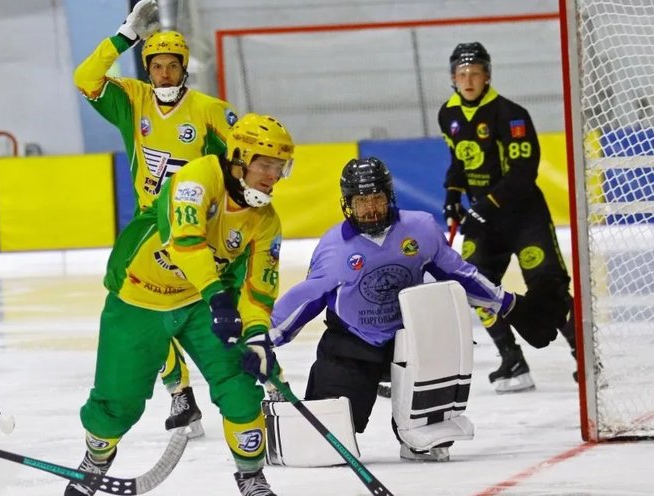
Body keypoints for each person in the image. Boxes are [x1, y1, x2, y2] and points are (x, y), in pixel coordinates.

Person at [269, 157, 563, 461]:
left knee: (439, 333)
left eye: (377, 198)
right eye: (361, 201)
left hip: (410, 341)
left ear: (389, 196)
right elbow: (307, 299)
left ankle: (419, 434)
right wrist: (263, 338)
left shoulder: (419, 228)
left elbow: (458, 275)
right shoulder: (334, 247)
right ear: (348, 204)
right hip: (353, 343)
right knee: (325, 443)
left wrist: (509, 305)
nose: (370, 208)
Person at [65, 113, 292, 496]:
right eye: (265, 165)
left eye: (279, 168)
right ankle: (96, 459)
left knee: (239, 384)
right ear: (239, 157)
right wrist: (219, 298)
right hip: (138, 299)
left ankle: (251, 476)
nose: (273, 177)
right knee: (117, 403)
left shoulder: (265, 220)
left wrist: (256, 335)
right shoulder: (196, 179)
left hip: (199, 303)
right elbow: (186, 242)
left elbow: (258, 290)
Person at [73, 0, 240, 437]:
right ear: (146, 67)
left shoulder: (210, 110)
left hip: (198, 225)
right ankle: (179, 390)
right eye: (156, 65)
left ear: (185, 67)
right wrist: (123, 36)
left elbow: (239, 161)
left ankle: (247, 383)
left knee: (212, 306)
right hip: (150, 224)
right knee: (142, 300)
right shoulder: (132, 99)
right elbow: (85, 78)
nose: (164, 74)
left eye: (172, 65)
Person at [438, 42, 576, 392]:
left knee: (548, 287)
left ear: (487, 76)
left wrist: (482, 206)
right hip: (485, 222)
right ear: (453, 79)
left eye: (475, 73)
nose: (468, 79)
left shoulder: (510, 114)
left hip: (524, 217)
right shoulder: (449, 114)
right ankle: (511, 360)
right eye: (462, 74)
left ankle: (585, 356)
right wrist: (453, 194)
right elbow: (459, 162)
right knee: (474, 284)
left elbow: (522, 172)